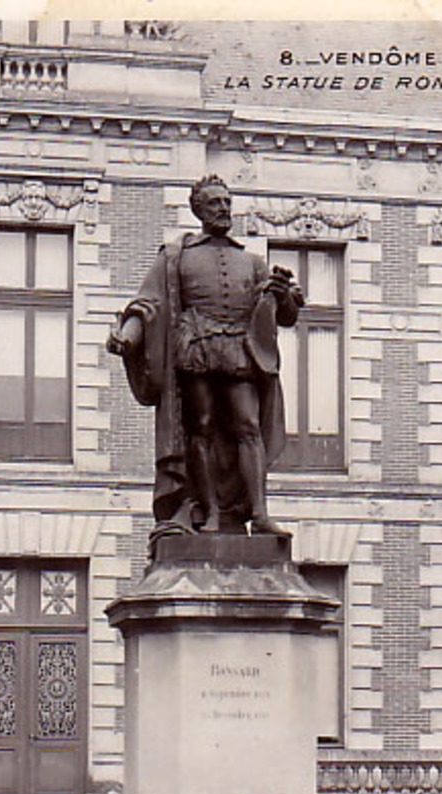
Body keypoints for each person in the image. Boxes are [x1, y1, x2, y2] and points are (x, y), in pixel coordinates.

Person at [106, 174, 303, 536]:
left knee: (248, 426)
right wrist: (127, 338)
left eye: (227, 202)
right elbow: (147, 304)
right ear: (198, 209)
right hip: (195, 347)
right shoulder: (176, 257)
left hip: (239, 352)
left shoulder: (254, 261)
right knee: (201, 428)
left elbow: (284, 316)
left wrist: (288, 296)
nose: (223, 209)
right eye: (215, 203)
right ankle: (209, 511)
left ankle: (258, 513)